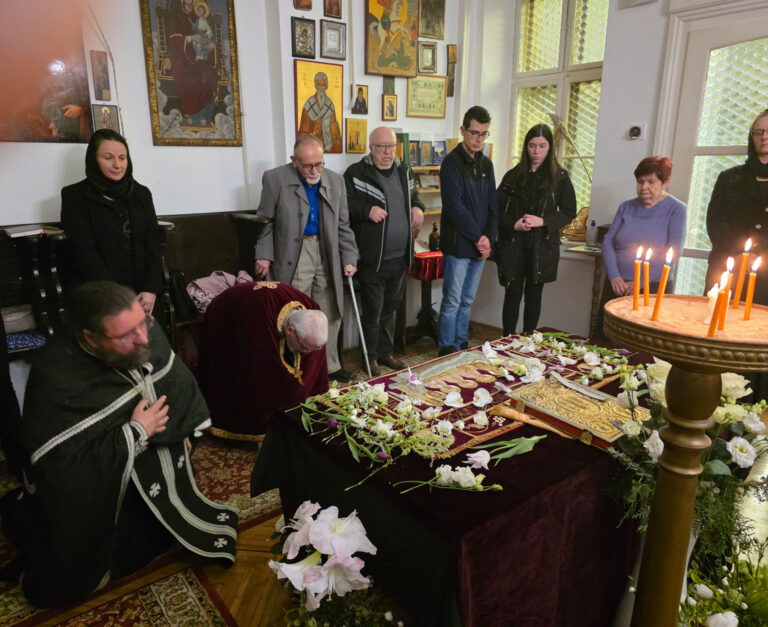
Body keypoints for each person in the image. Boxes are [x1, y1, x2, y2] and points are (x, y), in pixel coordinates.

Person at [3, 281, 237, 607]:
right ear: (91, 338)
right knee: (66, 576)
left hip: (150, 477)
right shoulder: (55, 374)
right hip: (101, 500)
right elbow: (63, 468)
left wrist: (181, 431)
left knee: (154, 533)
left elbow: (176, 384)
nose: (143, 338)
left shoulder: (141, 329)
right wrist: (136, 433)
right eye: (126, 335)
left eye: (142, 323)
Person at [254, 135, 358, 382]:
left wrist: (349, 257)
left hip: (327, 250)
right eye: (308, 166)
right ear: (294, 161)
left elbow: (343, 225)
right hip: (295, 251)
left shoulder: (335, 181)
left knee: (329, 309)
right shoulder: (274, 179)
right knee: (296, 312)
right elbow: (265, 222)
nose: (314, 170)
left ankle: (329, 366)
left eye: (319, 164)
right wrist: (264, 255)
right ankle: (295, 370)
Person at [60, 129, 165, 327]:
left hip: (143, 293)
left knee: (152, 341)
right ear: (94, 160)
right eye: (108, 158)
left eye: (122, 158)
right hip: (100, 292)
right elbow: (84, 252)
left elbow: (153, 243)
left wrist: (151, 289)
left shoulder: (141, 194)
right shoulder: (75, 196)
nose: (117, 165)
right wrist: (117, 297)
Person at [198, 282, 329, 438]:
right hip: (226, 312)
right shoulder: (260, 328)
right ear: (290, 330)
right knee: (241, 371)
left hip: (262, 309)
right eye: (304, 347)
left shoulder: (312, 310)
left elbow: (312, 361)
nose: (307, 353)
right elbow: (261, 378)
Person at [344, 126, 425, 376]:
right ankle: (369, 357)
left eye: (391, 146)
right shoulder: (356, 173)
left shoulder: (404, 170)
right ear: (371, 148)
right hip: (373, 258)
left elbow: (414, 195)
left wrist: (418, 207)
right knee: (373, 311)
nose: (388, 152)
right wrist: (366, 210)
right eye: (382, 147)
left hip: (399, 256)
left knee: (391, 308)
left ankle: (385, 353)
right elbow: (345, 206)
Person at [706, 109, 768, 401]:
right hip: (728, 271)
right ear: (751, 137)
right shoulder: (729, 178)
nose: (764, 137)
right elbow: (715, 221)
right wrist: (741, 252)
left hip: (765, 280)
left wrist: (759, 255)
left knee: (756, 343)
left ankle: (754, 409)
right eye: (759, 132)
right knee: (723, 337)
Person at [495, 124, 577, 335]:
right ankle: (507, 339)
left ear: (550, 147)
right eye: (532, 145)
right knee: (512, 294)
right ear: (526, 146)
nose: (536, 151)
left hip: (541, 247)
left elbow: (569, 212)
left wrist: (543, 221)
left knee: (533, 296)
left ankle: (528, 341)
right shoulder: (512, 176)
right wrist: (514, 224)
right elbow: (495, 210)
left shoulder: (560, 177)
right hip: (514, 244)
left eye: (542, 146)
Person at [437, 106, 497, 355]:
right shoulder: (451, 164)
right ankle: (446, 348)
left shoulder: (486, 164)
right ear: (463, 130)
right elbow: (455, 207)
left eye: (484, 134)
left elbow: (493, 205)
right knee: (452, 300)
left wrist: (489, 239)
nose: (479, 139)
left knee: (467, 300)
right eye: (475, 133)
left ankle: (461, 344)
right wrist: (478, 237)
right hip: (458, 244)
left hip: (480, 246)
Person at [602, 157, 686, 298]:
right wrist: (614, 276)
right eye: (640, 182)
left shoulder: (677, 209)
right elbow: (608, 242)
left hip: (653, 285)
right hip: (618, 284)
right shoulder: (625, 207)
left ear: (665, 182)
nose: (644, 187)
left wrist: (641, 282)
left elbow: (674, 251)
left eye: (651, 182)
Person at [167, 0, 219, 121]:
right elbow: (174, 42)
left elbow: (209, 36)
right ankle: (190, 114)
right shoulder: (178, 17)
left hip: (200, 56)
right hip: (182, 58)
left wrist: (211, 45)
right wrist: (191, 38)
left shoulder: (199, 16)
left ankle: (204, 117)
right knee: (185, 76)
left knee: (209, 75)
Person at [298, 72, 342, 153]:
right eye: (319, 85)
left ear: (326, 86)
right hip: (312, 149)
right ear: (315, 86)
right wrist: (313, 134)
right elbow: (302, 133)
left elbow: (335, 132)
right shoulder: (308, 105)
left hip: (328, 148)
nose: (321, 88)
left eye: (323, 85)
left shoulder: (330, 105)